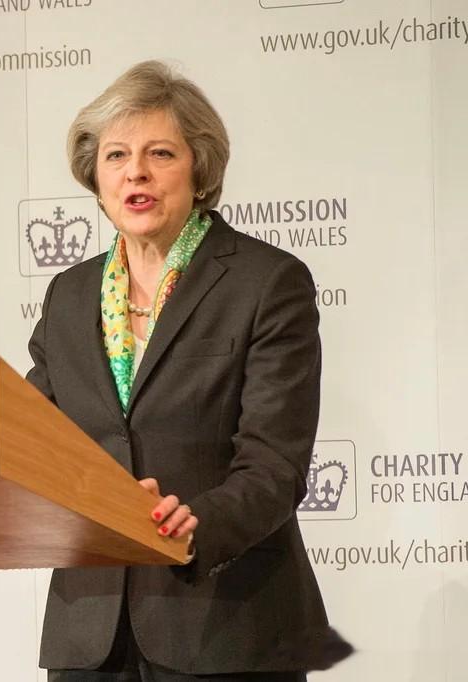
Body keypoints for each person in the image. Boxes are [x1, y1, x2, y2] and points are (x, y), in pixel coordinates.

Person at [29, 60, 351, 681]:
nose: (136, 172)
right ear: (96, 178)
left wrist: (197, 524)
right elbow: (28, 438)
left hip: (226, 625)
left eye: (160, 153)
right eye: (116, 155)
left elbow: (275, 463)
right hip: (90, 635)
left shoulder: (266, 282)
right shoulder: (69, 295)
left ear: (200, 171)